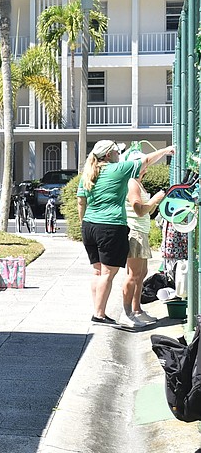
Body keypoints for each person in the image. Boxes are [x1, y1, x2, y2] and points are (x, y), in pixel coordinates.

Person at [77, 140, 173, 325]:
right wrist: (166, 150)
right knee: (108, 273)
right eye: (116, 152)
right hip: (110, 226)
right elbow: (145, 161)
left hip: (89, 225)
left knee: (97, 272)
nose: (118, 155)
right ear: (108, 155)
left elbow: (81, 202)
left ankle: (98, 309)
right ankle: (99, 314)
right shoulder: (118, 169)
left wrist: (84, 224)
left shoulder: (88, 174)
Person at [122, 149, 167, 328]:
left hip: (142, 232)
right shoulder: (132, 183)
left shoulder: (139, 183)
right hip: (135, 233)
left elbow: (146, 211)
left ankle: (137, 310)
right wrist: (155, 199)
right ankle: (127, 313)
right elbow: (139, 209)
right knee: (133, 275)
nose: (146, 167)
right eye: (143, 164)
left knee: (141, 274)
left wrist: (154, 202)